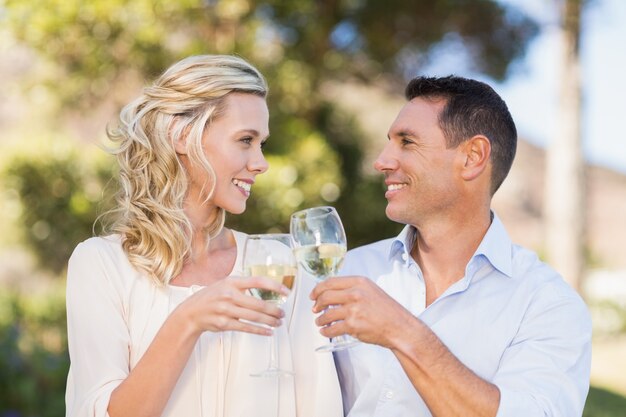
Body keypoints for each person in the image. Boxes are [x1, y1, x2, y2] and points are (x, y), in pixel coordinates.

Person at [65, 55, 342, 417]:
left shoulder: (282, 266)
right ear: (181, 136)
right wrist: (188, 319)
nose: (261, 163)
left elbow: (319, 405)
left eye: (261, 143)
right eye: (245, 140)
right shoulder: (101, 265)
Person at [311, 75, 592, 416]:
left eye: (407, 142)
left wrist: (401, 331)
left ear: (473, 157)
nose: (382, 161)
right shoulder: (348, 270)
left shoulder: (548, 305)